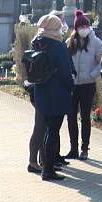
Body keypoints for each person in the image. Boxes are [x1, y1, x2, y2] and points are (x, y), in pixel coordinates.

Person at [31, 14, 73, 181]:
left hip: (41, 91)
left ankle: (45, 165)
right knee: (53, 132)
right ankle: (48, 169)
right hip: (57, 93)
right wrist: (71, 86)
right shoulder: (58, 45)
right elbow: (65, 71)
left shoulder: (37, 43)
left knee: (46, 129)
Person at [66, 10, 102, 161]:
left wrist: (92, 75)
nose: (83, 29)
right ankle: (73, 148)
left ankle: (84, 148)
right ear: (75, 28)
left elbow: (101, 62)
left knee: (85, 117)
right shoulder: (70, 42)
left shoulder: (96, 42)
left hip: (88, 84)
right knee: (70, 116)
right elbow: (66, 61)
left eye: (85, 26)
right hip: (73, 85)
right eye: (80, 26)